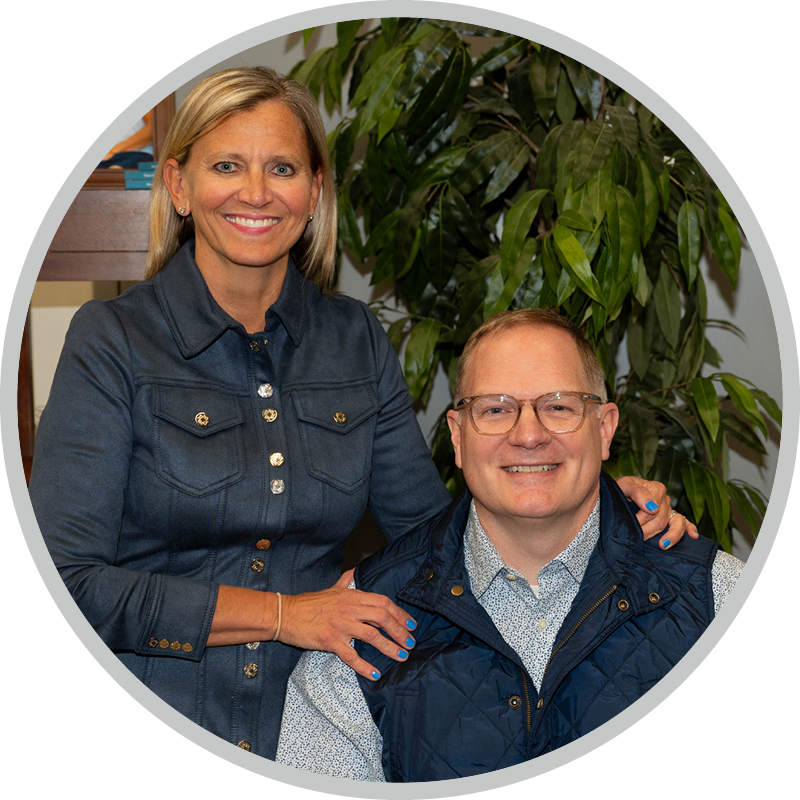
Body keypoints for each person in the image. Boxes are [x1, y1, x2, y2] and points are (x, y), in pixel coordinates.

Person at [29, 67, 690, 762]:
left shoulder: (354, 339)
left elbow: (434, 536)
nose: (255, 192)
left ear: (313, 193)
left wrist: (585, 504)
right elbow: (67, 583)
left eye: (281, 168)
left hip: (321, 726)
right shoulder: (110, 341)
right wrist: (287, 614)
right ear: (179, 185)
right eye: (227, 165)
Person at [276, 308, 744, 781]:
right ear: (458, 438)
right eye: (496, 409)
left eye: (559, 406)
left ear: (604, 429)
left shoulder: (719, 596)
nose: (528, 435)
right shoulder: (357, 627)